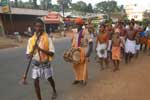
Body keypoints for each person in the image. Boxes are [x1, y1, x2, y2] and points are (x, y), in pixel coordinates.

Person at [26, 19, 57, 100]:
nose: (38, 28)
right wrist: (32, 51)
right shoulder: (31, 40)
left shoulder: (48, 39)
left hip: (46, 63)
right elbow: (28, 56)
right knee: (35, 82)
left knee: (50, 79)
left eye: (40, 26)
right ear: (34, 27)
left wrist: (40, 49)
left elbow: (52, 53)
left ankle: (54, 90)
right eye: (37, 26)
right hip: (36, 64)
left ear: (43, 27)